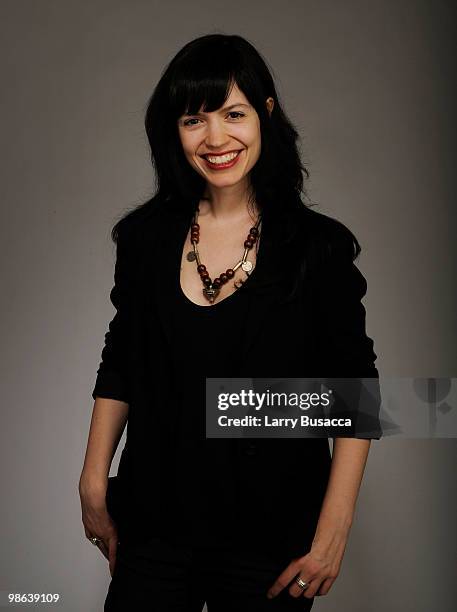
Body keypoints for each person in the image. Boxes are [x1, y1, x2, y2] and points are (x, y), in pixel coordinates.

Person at [78, 33, 381, 611]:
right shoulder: (145, 240)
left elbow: (358, 392)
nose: (216, 139)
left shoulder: (319, 249)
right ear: (174, 130)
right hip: (154, 528)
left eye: (233, 114)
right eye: (195, 119)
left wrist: (332, 535)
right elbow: (121, 357)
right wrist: (94, 482)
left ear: (266, 114)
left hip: (267, 544)